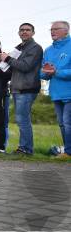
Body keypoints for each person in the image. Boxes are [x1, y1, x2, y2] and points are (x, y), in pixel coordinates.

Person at [0, 23, 43, 155]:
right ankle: (24, 148)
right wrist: (2, 63)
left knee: (23, 120)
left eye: (28, 30)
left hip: (27, 88)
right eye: (22, 30)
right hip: (17, 88)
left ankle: (26, 149)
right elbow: (13, 67)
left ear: (33, 33)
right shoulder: (19, 48)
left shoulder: (35, 48)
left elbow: (25, 66)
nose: (24, 32)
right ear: (19, 33)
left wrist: (7, 58)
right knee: (21, 119)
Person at [41, 21, 71, 159]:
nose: (52, 31)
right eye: (51, 29)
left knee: (67, 122)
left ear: (66, 31)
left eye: (56, 29)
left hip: (69, 92)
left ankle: (68, 153)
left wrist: (57, 72)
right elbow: (42, 73)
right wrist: (46, 72)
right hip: (56, 93)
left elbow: (57, 71)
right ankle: (67, 151)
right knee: (62, 124)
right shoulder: (48, 50)